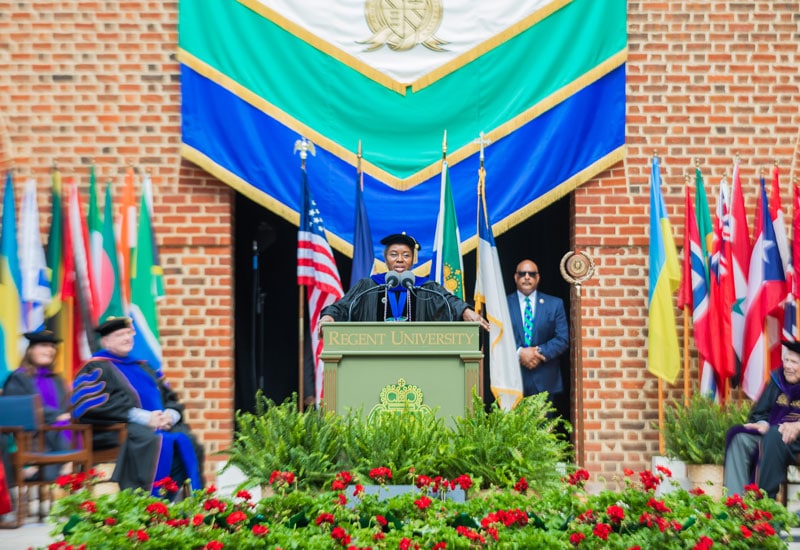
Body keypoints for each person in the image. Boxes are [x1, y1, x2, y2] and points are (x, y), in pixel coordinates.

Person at [71, 317, 204, 495]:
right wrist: (145, 418)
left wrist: (170, 415)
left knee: (187, 439)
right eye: (120, 335)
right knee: (155, 441)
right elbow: (90, 407)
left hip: (157, 425)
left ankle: (180, 500)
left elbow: (170, 398)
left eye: (129, 333)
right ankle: (146, 499)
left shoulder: (143, 366)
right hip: (116, 429)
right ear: (106, 341)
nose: (127, 338)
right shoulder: (97, 368)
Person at [319, 233, 488, 329]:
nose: (400, 259)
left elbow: (450, 303)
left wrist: (466, 311)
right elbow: (342, 307)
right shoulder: (368, 286)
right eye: (394, 254)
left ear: (414, 260)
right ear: (385, 259)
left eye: (406, 255)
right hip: (373, 359)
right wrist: (328, 317)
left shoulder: (426, 288)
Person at [724, 339, 800, 499]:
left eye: (794, 362)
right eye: (786, 360)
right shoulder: (777, 381)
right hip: (773, 434)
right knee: (739, 438)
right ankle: (736, 505)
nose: (787, 366)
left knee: (773, 436)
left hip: (796, 439)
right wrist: (762, 423)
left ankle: (763, 506)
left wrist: (798, 426)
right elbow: (761, 411)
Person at [3, 330, 71, 482]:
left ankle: (70, 465)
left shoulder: (57, 379)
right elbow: (18, 411)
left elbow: (67, 408)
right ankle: (68, 465)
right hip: (33, 440)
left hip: (58, 433)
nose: (50, 350)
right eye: (44, 345)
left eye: (52, 346)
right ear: (30, 350)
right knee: (63, 424)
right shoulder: (19, 377)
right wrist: (56, 416)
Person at [506, 259, 569, 400]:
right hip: (512, 380)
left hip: (545, 380)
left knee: (544, 422)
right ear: (516, 277)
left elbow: (562, 339)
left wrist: (536, 353)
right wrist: (520, 352)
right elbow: (498, 336)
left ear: (538, 278)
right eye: (522, 274)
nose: (527, 277)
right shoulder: (503, 304)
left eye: (532, 274)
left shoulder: (555, 304)